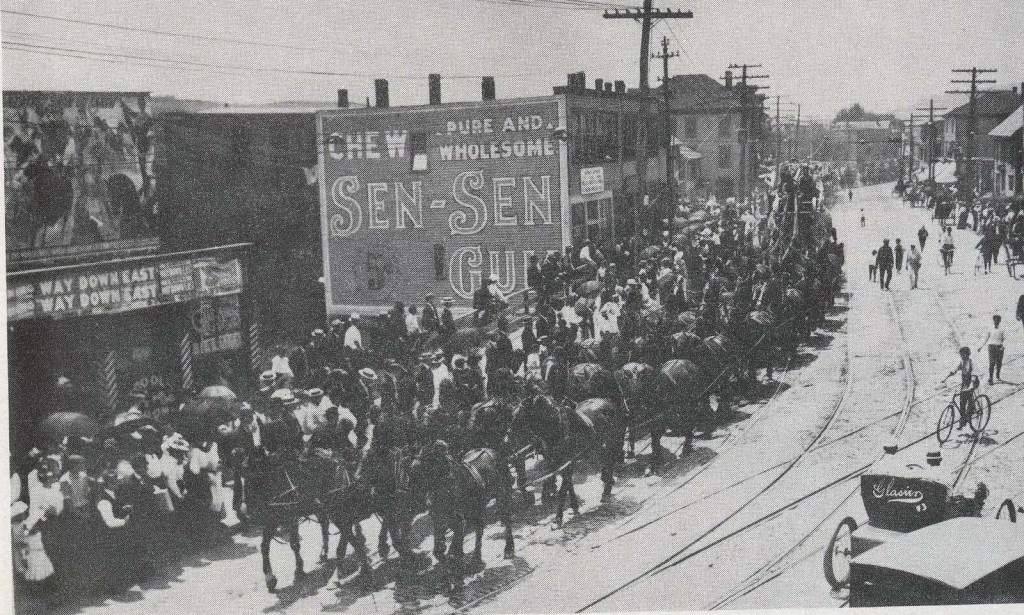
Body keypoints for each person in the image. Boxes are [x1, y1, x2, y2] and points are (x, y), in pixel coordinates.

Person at [944, 346, 977, 429]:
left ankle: (970, 412)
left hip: (973, 381)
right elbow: (954, 370)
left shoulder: (971, 362)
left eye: (963, 354)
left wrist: (971, 385)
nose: (961, 356)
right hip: (965, 382)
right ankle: (963, 420)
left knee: (968, 398)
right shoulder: (961, 362)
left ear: (967, 354)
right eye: (961, 354)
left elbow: (973, 375)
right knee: (962, 402)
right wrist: (945, 378)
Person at [978, 315, 1006, 384]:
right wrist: (980, 346)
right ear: (993, 320)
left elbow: (1005, 339)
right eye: (995, 320)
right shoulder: (990, 329)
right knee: (992, 363)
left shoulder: (1002, 329)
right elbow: (986, 338)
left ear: (1000, 321)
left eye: (998, 320)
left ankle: (997, 376)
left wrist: (1003, 347)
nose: (996, 321)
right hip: (991, 347)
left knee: (999, 363)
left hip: (999, 347)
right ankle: (990, 378)